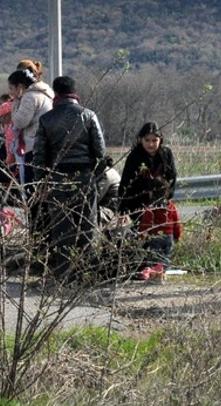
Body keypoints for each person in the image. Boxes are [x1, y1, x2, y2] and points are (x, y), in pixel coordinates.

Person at [32, 75, 109, 282]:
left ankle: (64, 275)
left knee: (61, 228)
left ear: (55, 93)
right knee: (87, 225)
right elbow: (100, 152)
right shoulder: (89, 115)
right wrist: (98, 177)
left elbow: (39, 156)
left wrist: (41, 181)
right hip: (84, 177)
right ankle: (88, 272)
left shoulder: (46, 119)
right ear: (75, 92)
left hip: (58, 179)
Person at [118, 122, 180, 281]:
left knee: (161, 236)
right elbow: (126, 182)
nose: (151, 144)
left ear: (160, 139)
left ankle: (158, 268)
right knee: (144, 235)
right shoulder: (135, 156)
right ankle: (145, 267)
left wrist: (166, 196)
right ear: (141, 140)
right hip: (138, 202)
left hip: (160, 201)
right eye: (147, 140)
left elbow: (172, 177)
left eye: (154, 140)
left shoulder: (166, 154)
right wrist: (123, 210)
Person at [8, 65, 54, 184]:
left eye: (11, 88)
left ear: (20, 86)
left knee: (31, 184)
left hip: (34, 145)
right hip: (47, 144)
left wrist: (16, 103)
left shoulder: (29, 97)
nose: (10, 93)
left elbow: (20, 122)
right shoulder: (45, 94)